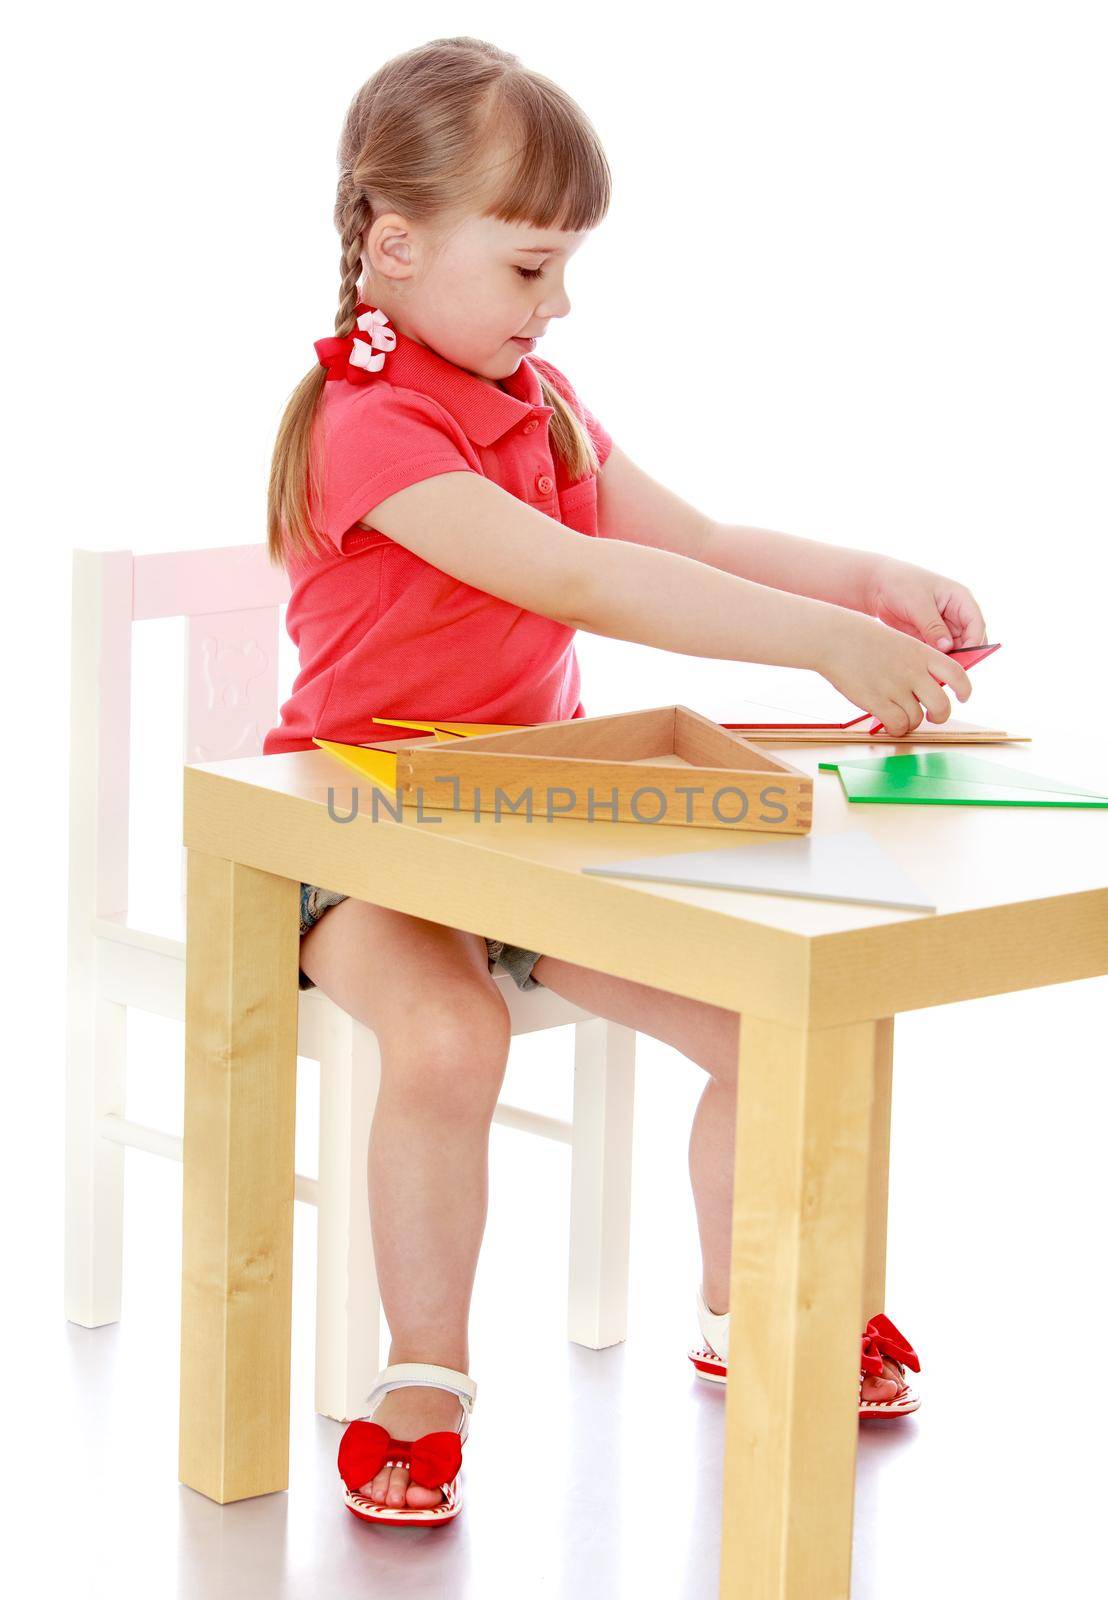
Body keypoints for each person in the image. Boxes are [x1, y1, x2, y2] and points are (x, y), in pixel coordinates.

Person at [264, 36, 985, 1526]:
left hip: (540, 826)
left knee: (764, 1019)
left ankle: (754, 1312)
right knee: (454, 1037)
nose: (560, 302)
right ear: (395, 248)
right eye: (531, 268)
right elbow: (586, 578)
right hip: (366, 832)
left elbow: (696, 546)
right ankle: (426, 1373)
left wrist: (870, 581)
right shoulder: (372, 425)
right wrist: (821, 647)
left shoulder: (547, 402)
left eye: (566, 268)